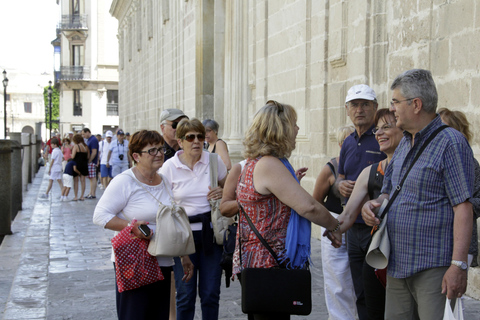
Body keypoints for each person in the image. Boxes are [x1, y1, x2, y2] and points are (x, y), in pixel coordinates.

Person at [361, 69, 474, 320]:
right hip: (398, 265)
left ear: (416, 105)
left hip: (433, 268)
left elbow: (463, 208)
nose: (392, 109)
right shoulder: (404, 143)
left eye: (395, 102)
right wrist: (374, 205)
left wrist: (458, 266)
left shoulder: (451, 143)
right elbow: (389, 192)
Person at [233, 100, 342, 320]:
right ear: (279, 129)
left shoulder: (257, 162)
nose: (298, 129)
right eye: (294, 124)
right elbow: (309, 207)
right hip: (268, 264)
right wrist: (335, 225)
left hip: (259, 262)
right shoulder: (269, 164)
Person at [93, 130, 194, 320]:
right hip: (134, 260)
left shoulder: (163, 180)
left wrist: (184, 255)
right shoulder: (124, 181)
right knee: (134, 314)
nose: (159, 153)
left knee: (159, 314)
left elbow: (170, 219)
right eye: (152, 150)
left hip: (162, 259)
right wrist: (132, 227)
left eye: (160, 149)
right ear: (136, 156)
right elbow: (100, 216)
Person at [328, 109, 404, 319]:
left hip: (406, 255)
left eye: (386, 127)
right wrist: (326, 223)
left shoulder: (413, 167)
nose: (379, 133)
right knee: (371, 308)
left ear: (403, 128)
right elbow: (348, 214)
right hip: (377, 251)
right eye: (377, 129)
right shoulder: (370, 172)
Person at [159, 118, 227, 320]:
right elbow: (164, 207)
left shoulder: (214, 161)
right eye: (190, 137)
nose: (197, 141)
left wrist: (222, 191)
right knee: (186, 295)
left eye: (200, 136)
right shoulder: (169, 168)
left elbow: (231, 191)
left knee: (210, 294)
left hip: (211, 236)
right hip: (182, 237)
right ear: (180, 142)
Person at [333, 84, 386, 319]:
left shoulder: (383, 138)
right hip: (353, 229)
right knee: (360, 290)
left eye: (365, 104)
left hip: (377, 227)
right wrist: (339, 184)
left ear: (375, 107)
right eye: (354, 105)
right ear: (347, 109)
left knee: (380, 289)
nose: (360, 109)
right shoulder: (347, 143)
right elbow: (340, 176)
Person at [312, 124, 357, 320]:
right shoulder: (330, 169)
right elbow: (315, 202)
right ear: (340, 145)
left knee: (356, 281)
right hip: (334, 226)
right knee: (337, 280)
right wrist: (332, 223)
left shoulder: (365, 165)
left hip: (359, 228)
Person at [439, 108, 480, 268]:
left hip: (462, 244)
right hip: (436, 243)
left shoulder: (470, 162)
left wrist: (461, 207)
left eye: (443, 128)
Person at [71, 133, 90, 201]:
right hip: (84, 165)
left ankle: (76, 196)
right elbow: (88, 156)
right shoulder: (86, 147)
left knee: (76, 181)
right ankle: (82, 196)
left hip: (77, 165)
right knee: (83, 181)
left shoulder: (76, 146)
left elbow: (73, 156)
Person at [82, 128, 99, 199]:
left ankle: (93, 193)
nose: (83, 136)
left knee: (93, 178)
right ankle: (90, 192)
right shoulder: (90, 140)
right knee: (90, 178)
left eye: (84, 134)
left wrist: (90, 160)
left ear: (88, 132)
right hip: (91, 161)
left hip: (92, 162)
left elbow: (94, 152)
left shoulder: (93, 140)